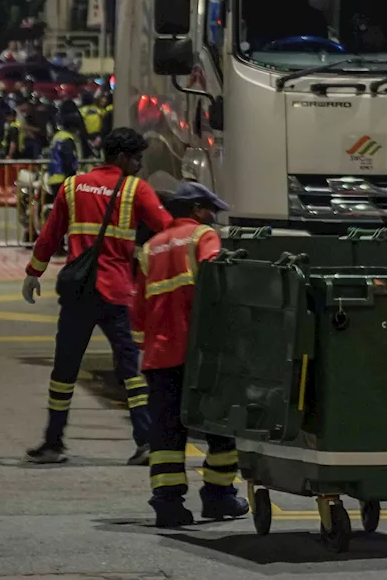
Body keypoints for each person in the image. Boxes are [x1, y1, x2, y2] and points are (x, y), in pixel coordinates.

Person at [22, 127, 173, 465]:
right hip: (116, 292)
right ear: (121, 157)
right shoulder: (136, 189)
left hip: (78, 293)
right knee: (130, 370)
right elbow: (167, 228)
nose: (138, 165)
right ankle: (146, 441)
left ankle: (52, 443)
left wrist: (33, 272)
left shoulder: (73, 186)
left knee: (64, 370)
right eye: (136, 159)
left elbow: (50, 234)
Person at [133, 181, 249, 527]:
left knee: (166, 434)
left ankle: (167, 504)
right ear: (197, 210)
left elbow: (137, 312)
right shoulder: (203, 238)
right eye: (210, 210)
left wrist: (150, 346)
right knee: (220, 425)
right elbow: (217, 287)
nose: (212, 217)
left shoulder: (149, 248)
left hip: (158, 357)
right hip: (200, 353)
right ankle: (218, 496)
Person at [45, 114, 83, 202]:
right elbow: (68, 160)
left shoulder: (57, 136)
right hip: (63, 178)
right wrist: (72, 177)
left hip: (53, 178)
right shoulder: (67, 139)